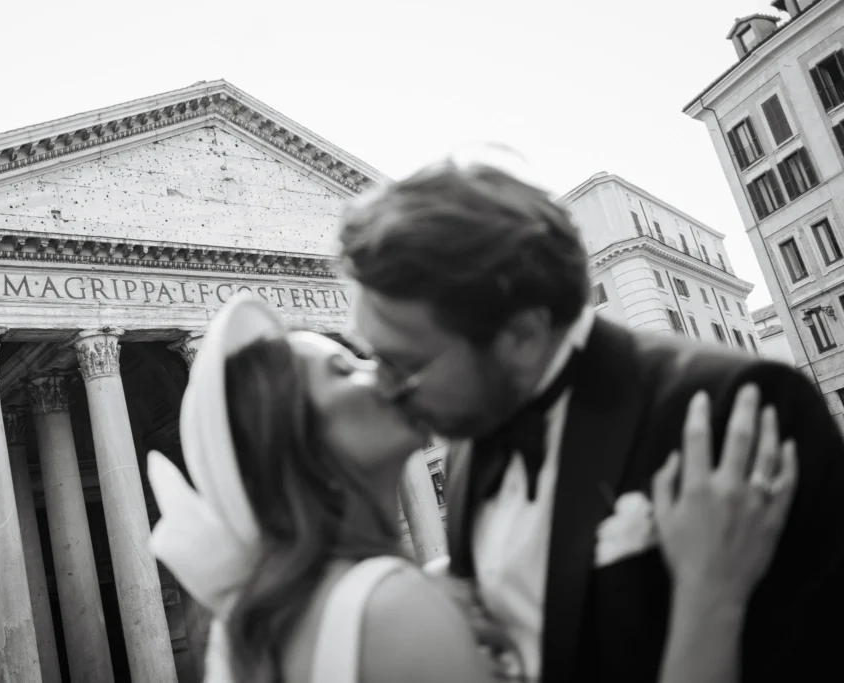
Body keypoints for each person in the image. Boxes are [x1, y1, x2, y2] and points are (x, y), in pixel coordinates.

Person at [336, 146, 844, 683]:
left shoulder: (735, 406)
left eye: (404, 364)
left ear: (523, 336)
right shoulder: (467, 449)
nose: (386, 391)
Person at [146, 295, 796, 683]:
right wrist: (713, 592)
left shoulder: (256, 623)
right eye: (345, 370)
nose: (387, 371)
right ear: (303, 450)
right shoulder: (391, 610)